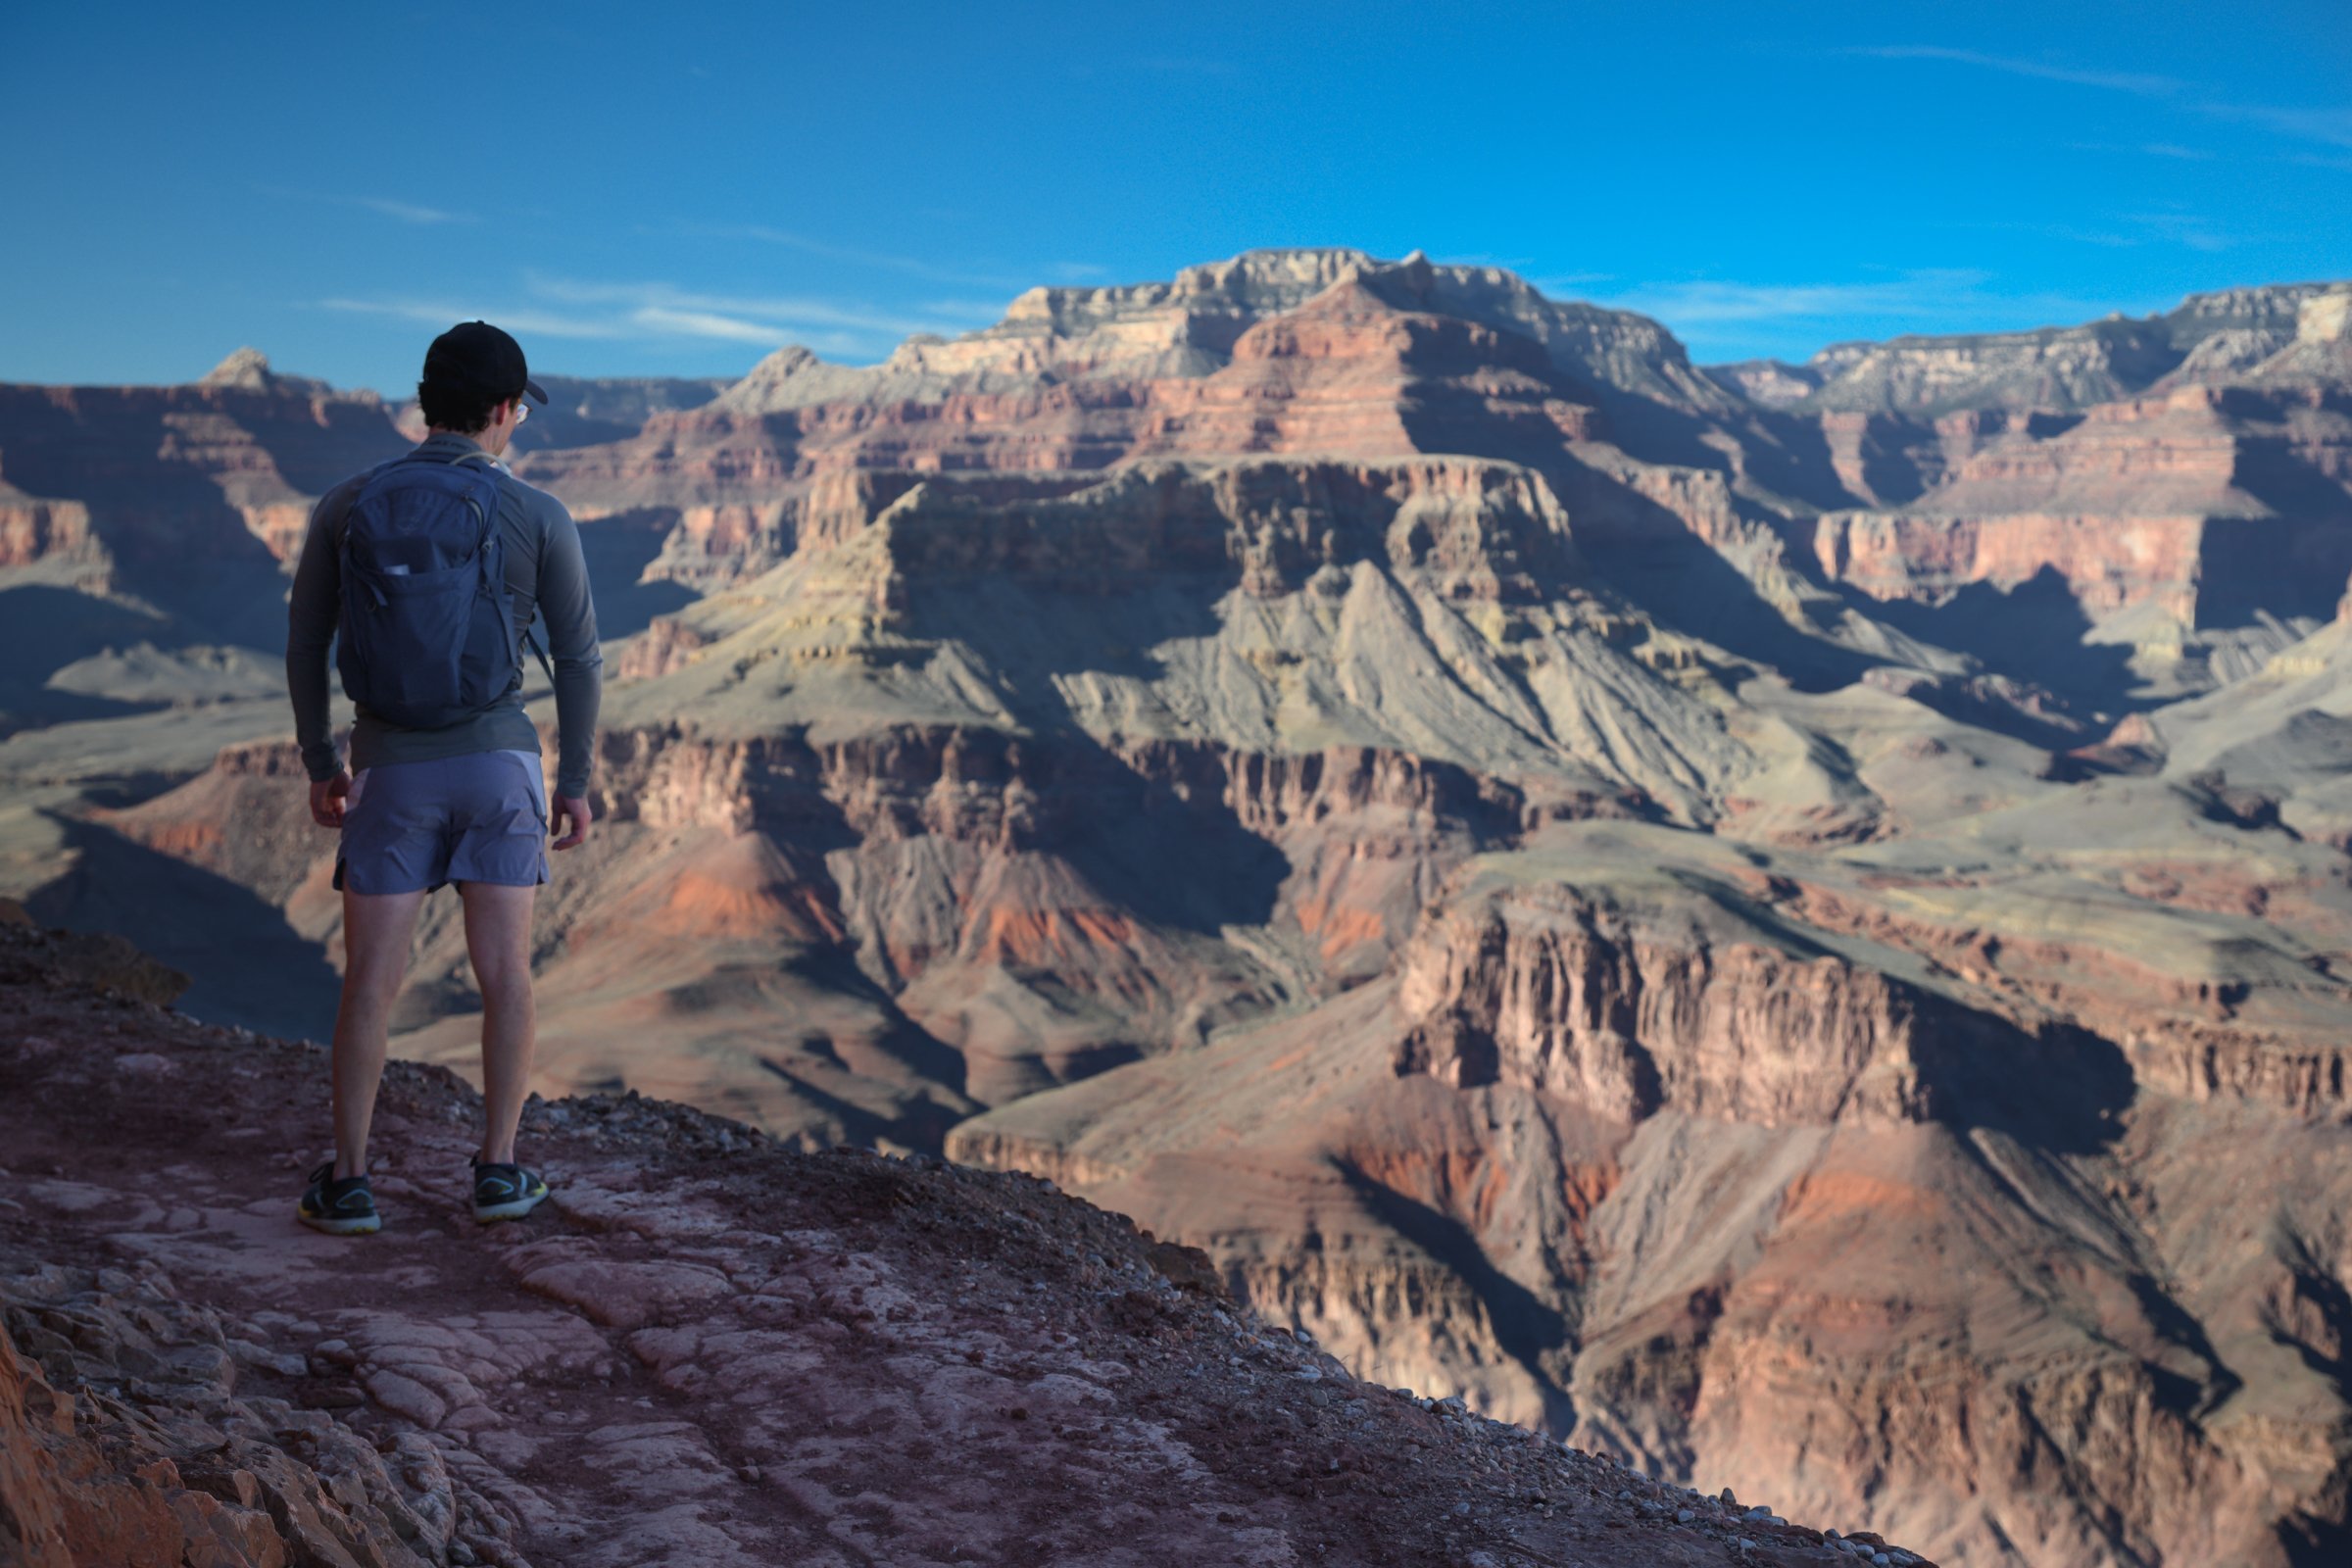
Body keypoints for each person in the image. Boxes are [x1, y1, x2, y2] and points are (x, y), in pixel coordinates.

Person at [284, 320, 602, 1235]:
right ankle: (499, 1172)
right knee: (505, 973)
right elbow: (579, 658)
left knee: (369, 983)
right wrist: (573, 781)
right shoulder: (539, 513)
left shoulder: (348, 503)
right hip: (502, 768)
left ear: (427, 407)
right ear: (505, 412)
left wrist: (320, 761)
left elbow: (306, 640)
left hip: (389, 768)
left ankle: (348, 1183)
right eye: (517, 412)